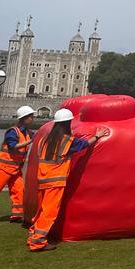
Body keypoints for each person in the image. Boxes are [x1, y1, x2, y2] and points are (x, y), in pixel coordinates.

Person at [28, 108, 108, 252]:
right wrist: (97, 136)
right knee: (49, 212)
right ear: (66, 124)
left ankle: (33, 235)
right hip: (55, 181)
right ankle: (38, 242)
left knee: (41, 210)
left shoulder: (45, 139)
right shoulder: (66, 141)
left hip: (43, 179)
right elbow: (82, 145)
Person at [0, 106, 36, 224]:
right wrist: (29, 142)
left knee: (19, 191)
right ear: (24, 118)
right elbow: (12, 146)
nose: (33, 119)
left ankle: (17, 215)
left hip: (15, 168)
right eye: (31, 116)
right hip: (4, 168)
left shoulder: (28, 133)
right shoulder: (13, 131)